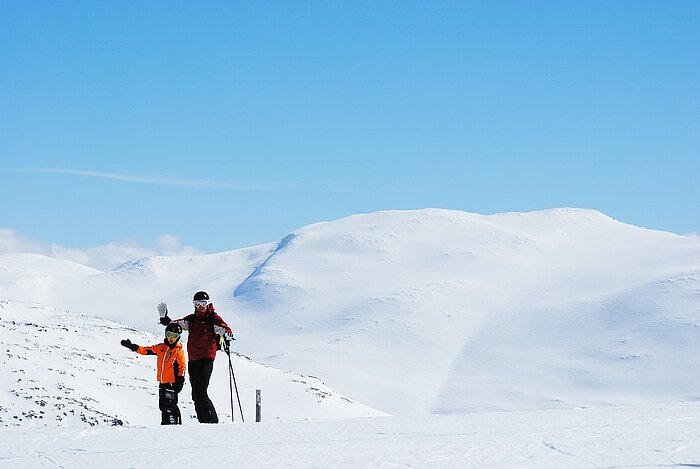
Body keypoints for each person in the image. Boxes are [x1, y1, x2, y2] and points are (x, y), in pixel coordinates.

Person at [158, 291, 233, 424]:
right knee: (195, 395)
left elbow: (225, 329)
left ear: (208, 303)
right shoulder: (192, 319)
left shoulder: (212, 318)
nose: (200, 306)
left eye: (203, 303)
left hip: (206, 358)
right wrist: (166, 320)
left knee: (200, 392)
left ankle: (212, 422)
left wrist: (227, 335)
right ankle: (203, 423)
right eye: (197, 303)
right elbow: (177, 325)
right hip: (193, 360)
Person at [120, 322, 186, 425]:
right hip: (162, 382)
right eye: (169, 335)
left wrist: (180, 380)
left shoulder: (178, 351)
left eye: (174, 336)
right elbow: (146, 350)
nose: (171, 338)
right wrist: (133, 347)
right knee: (163, 405)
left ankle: (175, 425)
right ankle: (165, 424)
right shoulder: (161, 347)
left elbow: (182, 367)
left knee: (171, 405)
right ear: (165, 334)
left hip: (172, 383)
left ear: (178, 337)